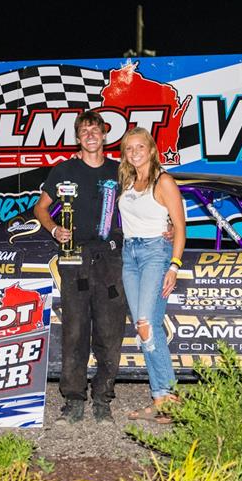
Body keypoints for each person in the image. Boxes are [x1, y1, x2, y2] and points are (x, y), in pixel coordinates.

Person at [34, 111, 125, 425]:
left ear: (104, 136)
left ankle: (103, 399)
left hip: (111, 259)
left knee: (110, 332)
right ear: (78, 137)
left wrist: (166, 225)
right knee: (74, 332)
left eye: (95, 130)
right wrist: (54, 229)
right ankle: (73, 401)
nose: (90, 135)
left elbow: (144, 202)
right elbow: (41, 208)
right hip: (74, 259)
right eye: (84, 130)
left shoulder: (120, 171)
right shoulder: (63, 170)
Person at [117, 127, 186, 424]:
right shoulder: (128, 179)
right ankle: (162, 400)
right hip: (128, 255)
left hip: (155, 254)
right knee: (147, 328)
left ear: (151, 149)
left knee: (146, 325)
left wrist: (174, 265)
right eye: (129, 148)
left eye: (139, 147)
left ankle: (169, 397)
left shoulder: (164, 181)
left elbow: (181, 228)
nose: (134, 153)